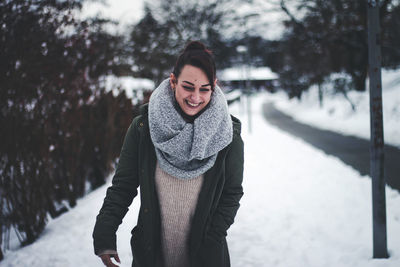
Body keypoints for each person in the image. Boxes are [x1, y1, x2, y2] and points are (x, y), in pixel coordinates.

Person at [92, 40, 244, 267]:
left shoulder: (226, 134)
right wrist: (105, 232)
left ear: (214, 86)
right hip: (151, 257)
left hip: (206, 259)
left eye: (204, 89)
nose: (195, 97)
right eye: (188, 87)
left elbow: (231, 193)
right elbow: (123, 186)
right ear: (173, 81)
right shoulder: (144, 128)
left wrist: (211, 240)